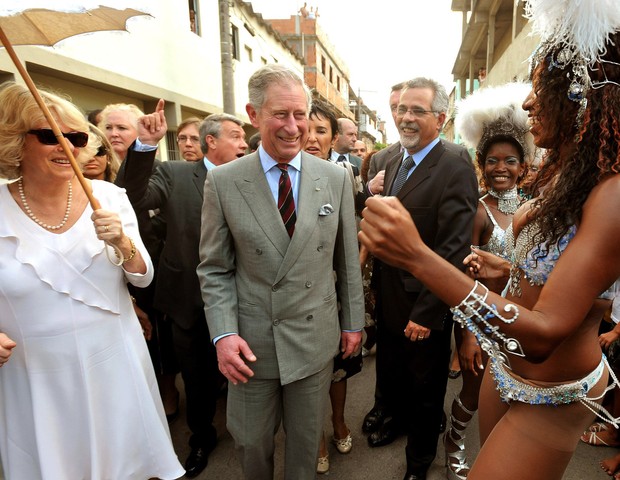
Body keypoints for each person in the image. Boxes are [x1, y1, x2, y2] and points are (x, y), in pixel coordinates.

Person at [358, 2, 620, 478]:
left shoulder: (614, 192)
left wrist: (417, 256)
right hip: (505, 368)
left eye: (542, 89)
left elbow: (543, 334)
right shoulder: (567, 176)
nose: (527, 103)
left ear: (583, 97)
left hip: (554, 390)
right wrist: (510, 270)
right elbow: (556, 269)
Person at [0, 81, 184, 480]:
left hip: (114, 364)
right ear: (16, 141)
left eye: (76, 136)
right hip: (36, 379)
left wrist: (121, 241)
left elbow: (142, 276)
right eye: (50, 135)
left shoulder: (108, 197)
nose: (66, 146)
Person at [197, 64, 364, 480]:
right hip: (251, 344)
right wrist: (222, 333)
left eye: (300, 115)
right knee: (251, 444)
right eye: (280, 115)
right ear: (253, 115)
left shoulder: (335, 177)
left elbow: (346, 258)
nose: (294, 128)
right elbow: (215, 268)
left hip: (314, 335)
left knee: (306, 446)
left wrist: (353, 322)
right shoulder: (223, 181)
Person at [119, 110, 248, 478]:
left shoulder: (251, 178)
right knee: (196, 377)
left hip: (241, 299)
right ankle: (202, 438)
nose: (244, 144)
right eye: (236, 136)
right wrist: (144, 146)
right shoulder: (175, 174)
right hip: (187, 300)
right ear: (212, 141)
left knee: (245, 373)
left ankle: (249, 437)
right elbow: (131, 196)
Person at [364, 77, 479, 480]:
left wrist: (429, 312)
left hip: (424, 303)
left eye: (417, 111)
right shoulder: (393, 159)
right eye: (401, 110)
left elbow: (453, 247)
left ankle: (419, 462)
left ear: (441, 118)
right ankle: (393, 422)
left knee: (426, 389)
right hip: (390, 295)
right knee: (394, 374)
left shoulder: (455, 161)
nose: (406, 118)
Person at [444, 81, 533, 480]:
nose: (501, 168)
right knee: (473, 394)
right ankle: (454, 444)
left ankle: (498, 457)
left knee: (514, 399)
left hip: (523, 320)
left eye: (510, 161)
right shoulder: (478, 212)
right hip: (482, 322)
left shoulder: (535, 209)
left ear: (524, 167)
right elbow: (464, 278)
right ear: (482, 164)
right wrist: (465, 336)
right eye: (493, 160)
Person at [302, 98, 363, 474]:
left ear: (333, 138)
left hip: (334, 291)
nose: (309, 137)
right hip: (297, 297)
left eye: (320, 131)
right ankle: (317, 438)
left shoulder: (344, 177)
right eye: (305, 129)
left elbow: (351, 239)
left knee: (339, 368)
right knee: (309, 373)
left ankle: (338, 420)